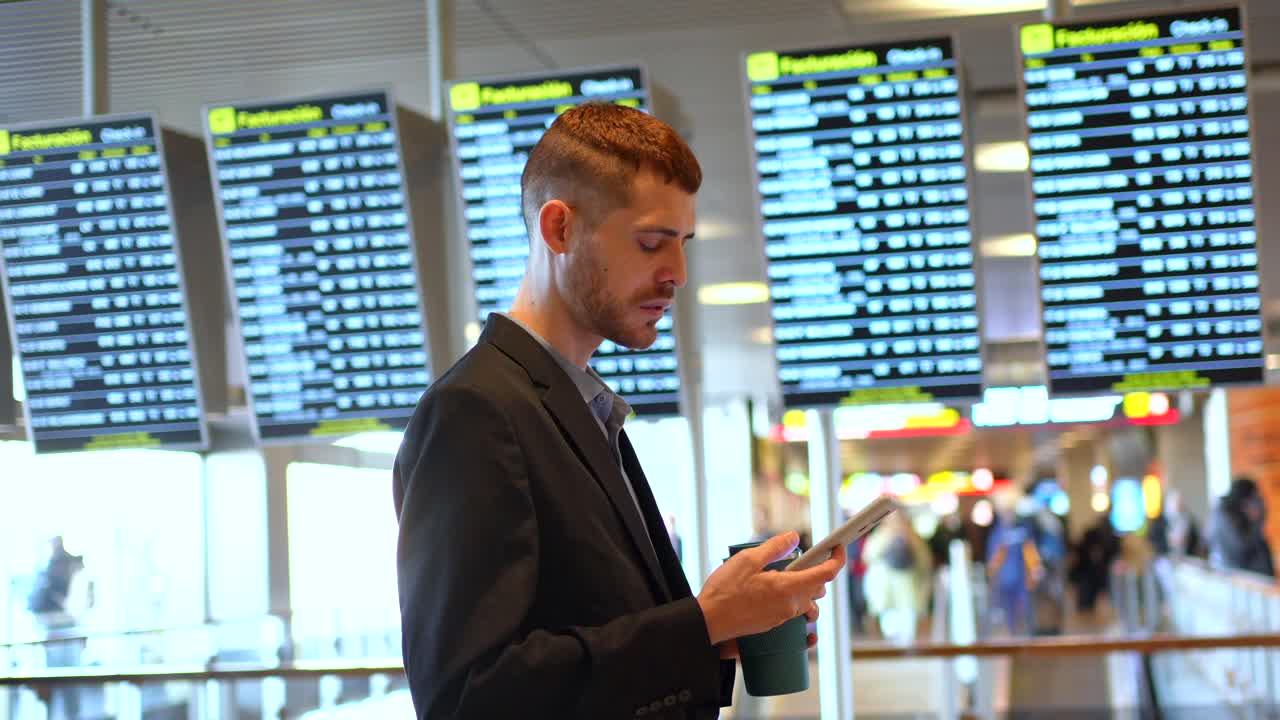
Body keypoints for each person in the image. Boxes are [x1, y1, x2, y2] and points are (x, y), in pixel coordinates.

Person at [393, 103, 845, 719]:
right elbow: (467, 696)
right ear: (559, 230)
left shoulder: (583, 407)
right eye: (652, 243)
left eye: (682, 245)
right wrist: (700, 623)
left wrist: (717, 630)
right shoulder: (475, 411)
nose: (678, 274)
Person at [861, 511, 932, 644]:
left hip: (905, 591)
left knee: (905, 629)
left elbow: (868, 557)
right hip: (891, 591)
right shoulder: (885, 536)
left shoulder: (907, 536)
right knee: (893, 627)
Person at [1209, 476, 1274, 577]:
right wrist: (1255, 523)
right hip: (1245, 578)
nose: (1257, 502)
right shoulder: (1225, 516)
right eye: (1253, 497)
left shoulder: (1225, 514)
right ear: (1244, 500)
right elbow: (1240, 551)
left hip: (1253, 576)